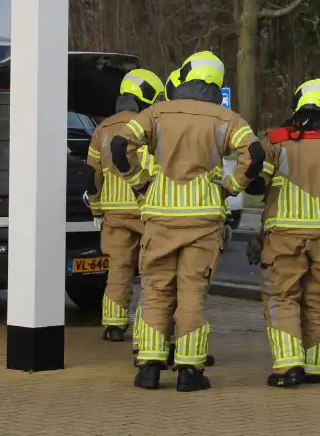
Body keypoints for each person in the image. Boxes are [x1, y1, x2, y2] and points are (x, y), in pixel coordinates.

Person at [111, 50, 264, 392]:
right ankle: (189, 372)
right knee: (192, 293)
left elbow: (121, 146)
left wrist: (139, 183)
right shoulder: (227, 118)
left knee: (155, 291)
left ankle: (149, 367)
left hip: (160, 215)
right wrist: (229, 187)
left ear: (185, 77)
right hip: (203, 219)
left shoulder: (156, 113)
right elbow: (254, 155)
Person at [243, 78, 320, 388]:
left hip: (285, 234)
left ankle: (289, 366)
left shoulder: (276, 141)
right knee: (318, 301)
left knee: (283, 297)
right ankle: (316, 366)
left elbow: (257, 184)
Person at [84, 68, 165, 352]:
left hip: (114, 212)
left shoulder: (102, 128)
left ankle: (114, 325)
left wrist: (96, 209)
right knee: (154, 273)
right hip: (146, 208)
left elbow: (91, 174)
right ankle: (150, 331)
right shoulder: (150, 124)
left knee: (117, 269)